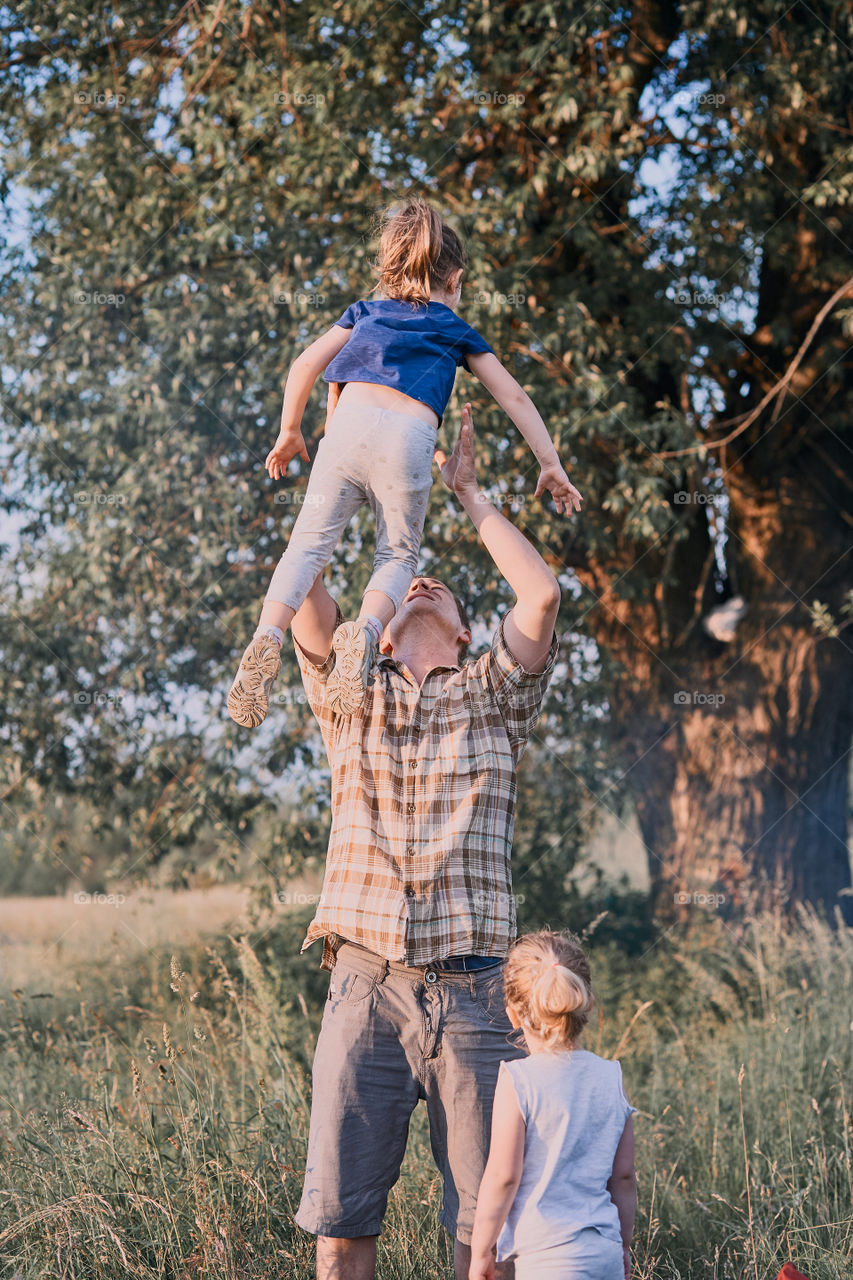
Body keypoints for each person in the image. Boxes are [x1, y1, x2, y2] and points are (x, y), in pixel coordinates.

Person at [289, 405, 564, 1280]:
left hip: (480, 995)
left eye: (438, 590)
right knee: (341, 1230)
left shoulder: (494, 695)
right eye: (411, 581)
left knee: (486, 1238)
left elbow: (541, 595)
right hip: (364, 984)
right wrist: (339, 462)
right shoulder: (348, 690)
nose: (420, 585)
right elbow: (305, 593)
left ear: (464, 633)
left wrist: (471, 495)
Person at [227, 196, 581, 727]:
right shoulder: (453, 327)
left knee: (307, 545)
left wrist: (289, 430)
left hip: (345, 425)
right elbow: (514, 398)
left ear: (388, 268)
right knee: (396, 555)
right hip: (411, 436)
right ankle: (367, 636)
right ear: (455, 279)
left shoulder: (364, 312)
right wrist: (549, 463)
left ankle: (267, 637)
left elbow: (303, 364)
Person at [469, 930, 637, 1280]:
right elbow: (623, 1177)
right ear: (585, 1001)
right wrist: (622, 1245)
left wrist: (482, 1251)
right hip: (604, 1250)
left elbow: (503, 1177)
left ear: (513, 1013)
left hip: (548, 1259)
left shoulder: (518, 1080)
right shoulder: (611, 1076)